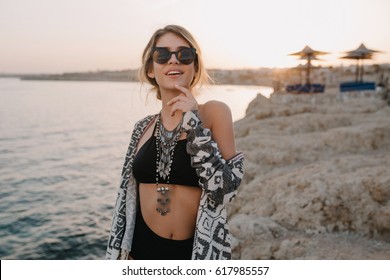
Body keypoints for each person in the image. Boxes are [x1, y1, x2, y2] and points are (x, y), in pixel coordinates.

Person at [105, 25, 244, 260]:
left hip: (193, 255)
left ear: (195, 66)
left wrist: (193, 122)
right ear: (151, 69)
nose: (173, 61)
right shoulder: (142, 128)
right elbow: (126, 200)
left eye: (184, 55)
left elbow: (226, 191)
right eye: (162, 55)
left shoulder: (214, 113)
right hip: (139, 254)